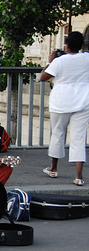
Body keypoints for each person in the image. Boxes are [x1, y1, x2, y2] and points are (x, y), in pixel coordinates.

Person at [40, 31, 89, 186]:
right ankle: (78, 176)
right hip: (82, 101)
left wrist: (50, 61)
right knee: (78, 137)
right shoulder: (87, 58)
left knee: (57, 134)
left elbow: (43, 77)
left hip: (60, 102)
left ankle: (53, 168)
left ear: (66, 45)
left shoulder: (59, 61)